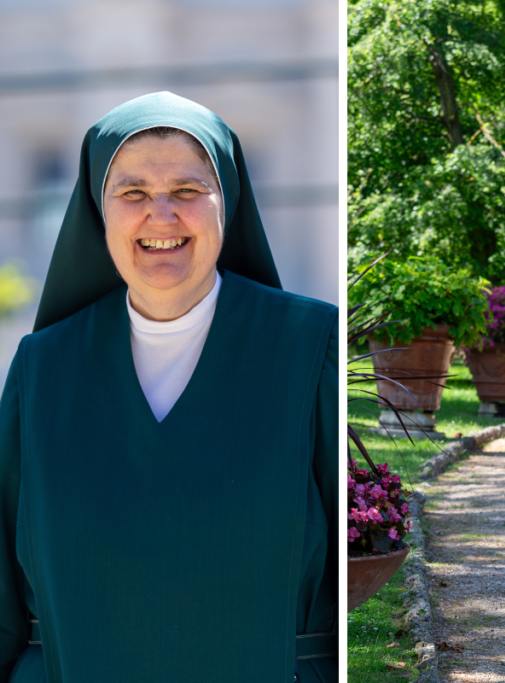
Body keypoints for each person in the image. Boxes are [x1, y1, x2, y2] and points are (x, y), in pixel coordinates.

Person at [0, 92, 338, 681]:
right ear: (98, 210)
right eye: (132, 193)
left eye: (187, 191)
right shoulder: (41, 369)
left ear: (225, 203)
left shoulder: (310, 347)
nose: (161, 215)